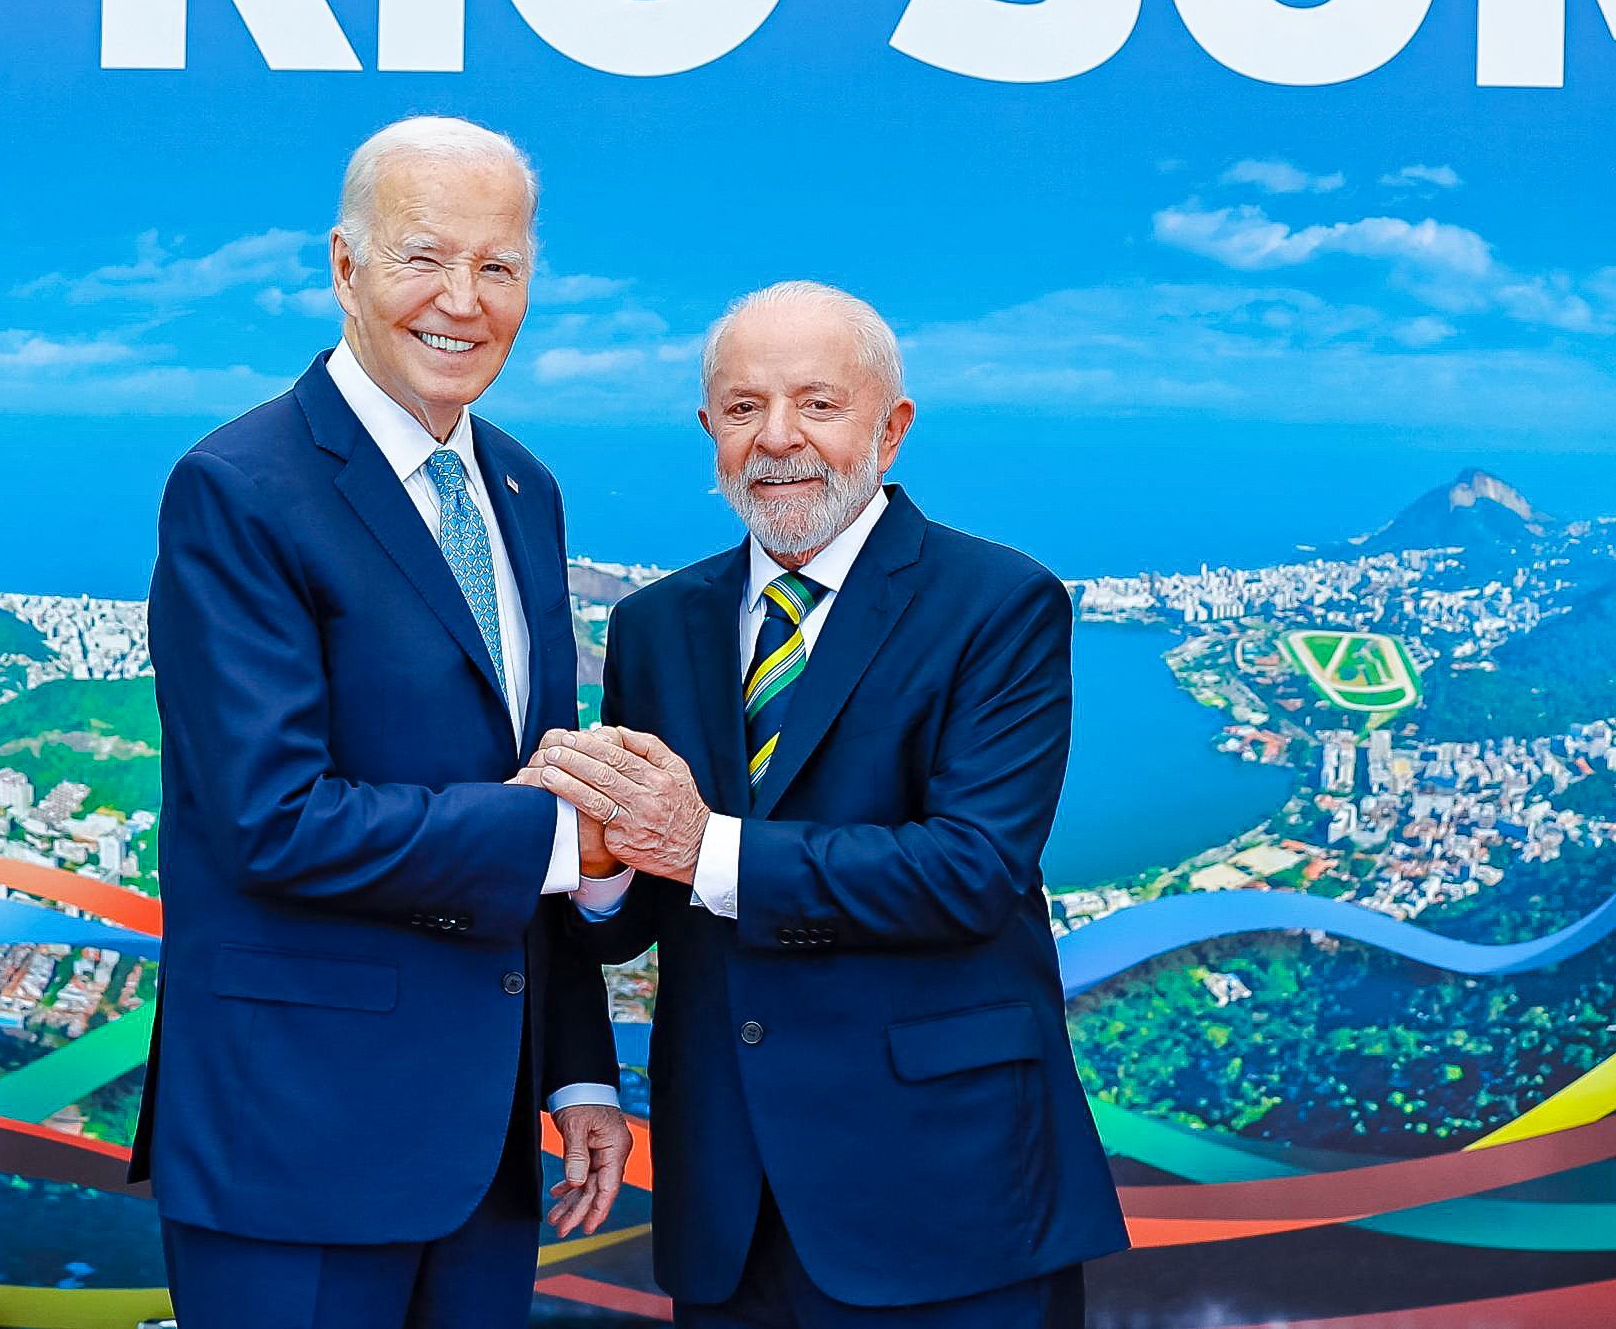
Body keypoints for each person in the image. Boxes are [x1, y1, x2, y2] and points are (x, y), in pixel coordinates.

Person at [533, 282, 1125, 1328]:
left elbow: (970, 874)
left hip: (944, 1195)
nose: (779, 439)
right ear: (708, 429)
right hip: (730, 1202)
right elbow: (631, 922)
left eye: (817, 402)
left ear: (890, 429)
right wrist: (603, 860)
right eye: (745, 406)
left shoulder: (1000, 604)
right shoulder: (657, 625)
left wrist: (701, 844)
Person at [133, 115, 632, 1329]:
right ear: (345, 268)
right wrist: (573, 846)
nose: (463, 301)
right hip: (295, 1142)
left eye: (499, 267)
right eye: (423, 258)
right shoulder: (238, 489)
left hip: (485, 1155)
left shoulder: (522, 485)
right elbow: (273, 819)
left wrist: (576, 1066)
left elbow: (544, 772)